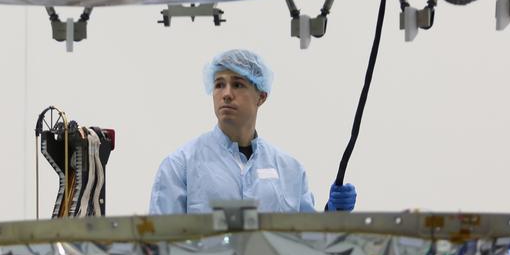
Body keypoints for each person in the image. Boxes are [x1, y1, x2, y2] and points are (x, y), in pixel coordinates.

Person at [149, 49, 357, 214]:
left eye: (238, 85)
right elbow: (159, 242)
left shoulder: (290, 170)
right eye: (219, 85)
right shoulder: (180, 165)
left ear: (261, 96)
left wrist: (333, 213)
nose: (226, 94)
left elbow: (308, 240)